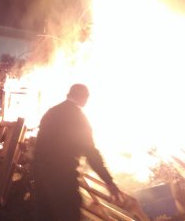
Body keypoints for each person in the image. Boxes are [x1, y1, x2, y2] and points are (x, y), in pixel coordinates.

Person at [32, 83, 122, 221]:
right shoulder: (78, 118)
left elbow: (39, 147)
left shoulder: (51, 112)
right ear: (84, 98)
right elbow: (91, 153)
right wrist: (108, 181)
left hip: (42, 180)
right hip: (63, 180)